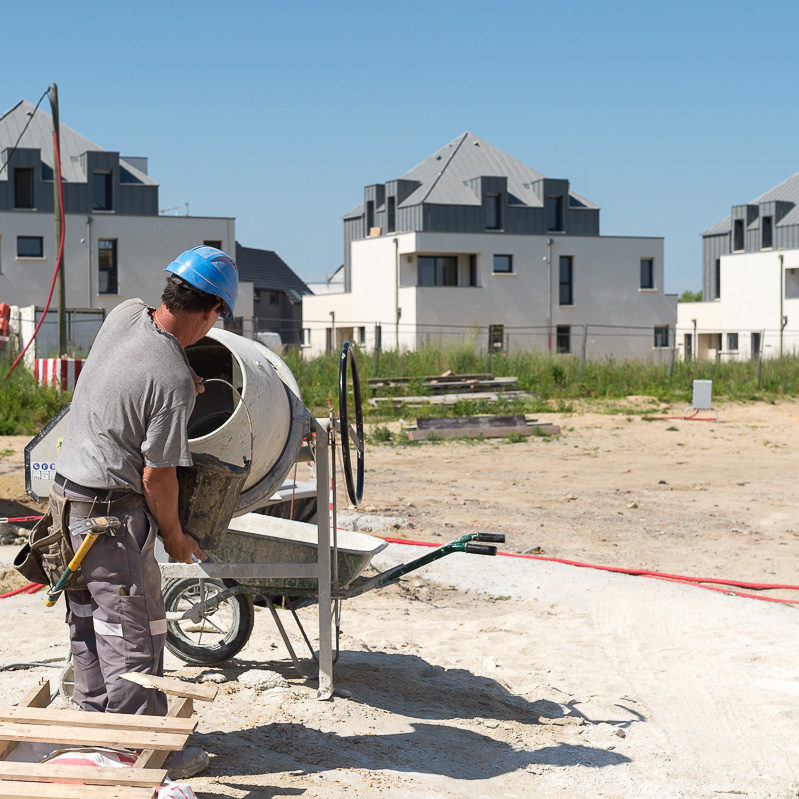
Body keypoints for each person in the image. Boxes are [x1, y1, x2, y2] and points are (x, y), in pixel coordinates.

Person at [50, 245, 238, 778]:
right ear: (212, 312)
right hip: (111, 517)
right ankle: (138, 749)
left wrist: (177, 386)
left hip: (67, 503)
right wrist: (176, 536)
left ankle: (95, 728)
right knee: (132, 631)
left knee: (88, 620)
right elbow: (158, 475)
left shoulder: (125, 313)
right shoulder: (174, 381)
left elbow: (133, 376)